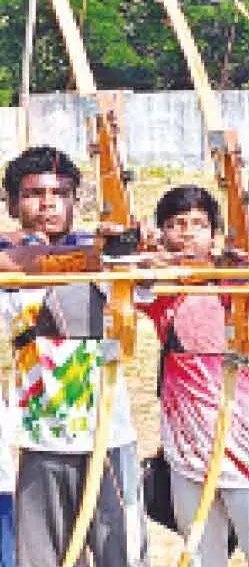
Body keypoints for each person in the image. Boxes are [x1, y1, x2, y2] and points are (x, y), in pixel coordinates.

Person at [0, 146, 148, 567]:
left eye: (60, 193)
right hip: (39, 439)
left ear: (76, 201)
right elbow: (21, 262)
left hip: (107, 436)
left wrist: (123, 250)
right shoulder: (13, 259)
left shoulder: (106, 255)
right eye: (34, 194)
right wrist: (90, 256)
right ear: (11, 204)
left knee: (121, 554)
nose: (48, 204)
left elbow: (144, 283)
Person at [136, 185, 249, 567]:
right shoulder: (163, 285)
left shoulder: (235, 277)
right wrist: (143, 249)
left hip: (241, 429)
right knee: (201, 544)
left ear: (216, 234)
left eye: (198, 224)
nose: (187, 233)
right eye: (176, 224)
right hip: (186, 434)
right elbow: (132, 279)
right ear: (162, 234)